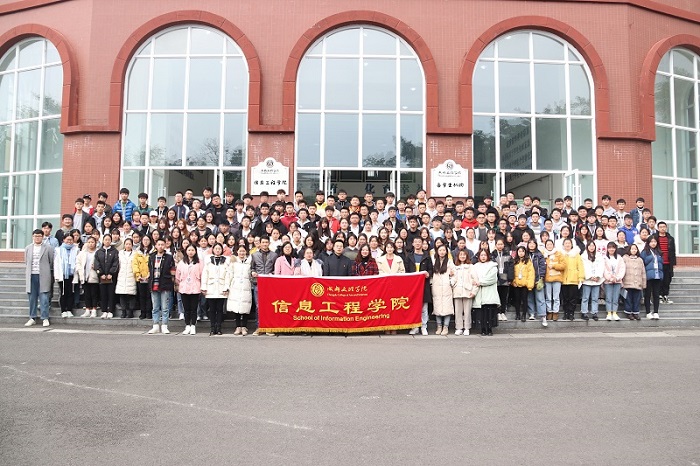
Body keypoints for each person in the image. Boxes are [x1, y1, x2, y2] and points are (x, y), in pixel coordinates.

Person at [24, 229, 55, 327]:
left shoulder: (48, 248)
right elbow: (26, 261)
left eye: (39, 236)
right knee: (32, 298)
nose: (37, 238)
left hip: (44, 275)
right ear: (32, 237)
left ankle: (45, 318)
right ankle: (32, 317)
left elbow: (51, 261)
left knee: (44, 298)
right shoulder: (28, 248)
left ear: (42, 237)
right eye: (35, 236)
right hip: (32, 275)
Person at [250, 236, 278, 335]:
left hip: (270, 284)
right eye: (263, 242)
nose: (265, 244)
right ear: (260, 243)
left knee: (270, 306)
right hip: (258, 284)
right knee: (258, 306)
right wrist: (252, 272)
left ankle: (269, 327)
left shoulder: (274, 255)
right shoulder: (254, 255)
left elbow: (276, 269)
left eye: (266, 242)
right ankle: (259, 327)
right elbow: (252, 268)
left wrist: (273, 274)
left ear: (269, 243)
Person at [147, 238, 176, 334]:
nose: (160, 246)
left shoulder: (169, 257)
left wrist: (173, 281)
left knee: (165, 307)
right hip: (154, 283)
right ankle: (155, 325)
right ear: (155, 245)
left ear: (165, 245)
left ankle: (164, 325)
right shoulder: (151, 256)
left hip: (165, 283)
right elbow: (149, 269)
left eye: (162, 244)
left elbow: (172, 270)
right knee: (155, 307)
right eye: (158, 244)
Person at [201, 243, 230, 336]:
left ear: (222, 250)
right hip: (211, 287)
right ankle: (212, 327)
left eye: (219, 249)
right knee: (212, 309)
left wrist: (226, 287)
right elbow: (205, 274)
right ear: (213, 250)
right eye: (216, 248)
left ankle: (219, 327)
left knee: (220, 309)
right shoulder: (208, 261)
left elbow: (228, 275)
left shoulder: (226, 261)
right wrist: (204, 287)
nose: (217, 250)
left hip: (221, 288)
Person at [175, 244, 204, 335]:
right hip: (184, 287)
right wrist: (179, 284)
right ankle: (187, 325)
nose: (190, 252)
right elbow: (177, 276)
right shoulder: (182, 263)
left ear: (195, 251)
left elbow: (202, 275)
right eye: (189, 250)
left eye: (192, 250)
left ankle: (193, 326)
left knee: (194, 308)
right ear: (186, 251)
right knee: (186, 308)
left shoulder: (199, 262)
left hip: (195, 287)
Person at [471, 249, 499, 336]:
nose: (483, 257)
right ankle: (483, 328)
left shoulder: (492, 266)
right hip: (479, 292)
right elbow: (473, 278)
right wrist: (476, 282)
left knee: (489, 311)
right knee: (481, 312)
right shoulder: (475, 266)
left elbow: (492, 279)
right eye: (481, 255)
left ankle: (489, 329)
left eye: (485, 255)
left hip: (489, 292)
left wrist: (480, 282)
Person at [409, 238, 433, 336]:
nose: (418, 244)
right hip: (412, 286)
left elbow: (431, 269)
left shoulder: (427, 256)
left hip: (424, 285)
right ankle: (415, 327)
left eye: (419, 242)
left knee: (424, 307)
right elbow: (406, 270)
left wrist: (428, 273)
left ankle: (424, 327)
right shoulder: (409, 256)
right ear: (413, 244)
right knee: (413, 308)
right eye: (416, 242)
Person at [228, 245, 254, 335]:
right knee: (237, 307)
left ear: (246, 252)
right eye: (240, 251)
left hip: (246, 286)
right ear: (237, 252)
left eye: (243, 251)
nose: (242, 253)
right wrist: (228, 286)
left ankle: (244, 326)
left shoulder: (249, 262)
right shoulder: (234, 262)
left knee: (246, 306)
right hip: (236, 286)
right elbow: (230, 274)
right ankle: (238, 326)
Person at [431, 243, 455, 335]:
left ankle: (446, 326)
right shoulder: (434, 261)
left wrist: (450, 282)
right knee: (437, 307)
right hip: (436, 287)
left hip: (446, 287)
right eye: (440, 250)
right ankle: (439, 326)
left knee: (447, 308)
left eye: (444, 250)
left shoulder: (449, 262)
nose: (442, 252)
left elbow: (454, 274)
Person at [94, 233, 119, 319]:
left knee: (111, 294)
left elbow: (116, 263)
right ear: (103, 241)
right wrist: (100, 273)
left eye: (109, 240)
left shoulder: (115, 251)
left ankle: (111, 311)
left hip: (111, 277)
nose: (107, 241)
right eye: (106, 240)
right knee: (103, 294)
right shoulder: (99, 252)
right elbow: (96, 263)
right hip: (102, 277)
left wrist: (111, 273)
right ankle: (104, 310)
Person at [54, 233, 79, 318]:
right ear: (63, 240)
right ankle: (63, 310)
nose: (69, 241)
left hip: (72, 275)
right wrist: (56, 275)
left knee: (71, 292)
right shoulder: (58, 250)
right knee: (63, 292)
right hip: (62, 274)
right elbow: (56, 263)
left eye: (71, 240)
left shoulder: (76, 250)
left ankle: (69, 309)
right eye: (67, 239)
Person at [452, 249, 476, 335]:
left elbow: (475, 280)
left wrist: (474, 291)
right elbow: (453, 279)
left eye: (464, 255)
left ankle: (467, 327)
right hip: (457, 291)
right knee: (458, 311)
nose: (462, 256)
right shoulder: (455, 267)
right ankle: (459, 327)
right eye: (460, 255)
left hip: (468, 290)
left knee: (467, 311)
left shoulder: (471, 267)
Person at [560, 238, 584, 321]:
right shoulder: (561, 254)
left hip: (573, 279)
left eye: (569, 243)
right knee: (565, 298)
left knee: (573, 298)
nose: (567, 245)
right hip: (563, 279)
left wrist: (581, 277)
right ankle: (565, 312)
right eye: (566, 243)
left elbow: (580, 266)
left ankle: (571, 313)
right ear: (563, 245)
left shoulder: (576, 254)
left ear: (571, 245)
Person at [75, 236, 99, 318]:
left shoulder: (98, 252)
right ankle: (88, 309)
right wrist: (79, 270)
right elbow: (78, 262)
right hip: (84, 275)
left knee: (94, 294)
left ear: (95, 243)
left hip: (94, 275)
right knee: (87, 294)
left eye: (92, 242)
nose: (90, 244)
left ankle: (94, 309)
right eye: (89, 242)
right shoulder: (83, 253)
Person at [580, 240, 605, 320]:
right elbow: (583, 267)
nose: (591, 247)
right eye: (590, 246)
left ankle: (594, 312)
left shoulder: (599, 256)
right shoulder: (583, 256)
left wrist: (598, 276)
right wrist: (589, 276)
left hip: (596, 281)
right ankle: (584, 312)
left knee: (595, 298)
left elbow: (601, 267)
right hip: (587, 280)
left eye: (593, 246)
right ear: (587, 247)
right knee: (585, 297)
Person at [640, 235, 663, 320]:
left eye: (655, 242)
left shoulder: (659, 252)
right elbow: (642, 263)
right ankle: (648, 312)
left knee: (656, 294)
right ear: (648, 243)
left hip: (657, 275)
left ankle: (656, 312)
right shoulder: (645, 252)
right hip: (648, 275)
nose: (653, 243)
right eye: (651, 242)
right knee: (648, 294)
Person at [543, 239, 565, 322]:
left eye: (551, 244)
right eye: (547, 244)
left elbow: (563, 265)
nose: (549, 246)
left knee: (556, 297)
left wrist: (554, 266)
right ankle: (549, 311)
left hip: (557, 278)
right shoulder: (543, 254)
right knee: (548, 297)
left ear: (553, 245)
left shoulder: (559, 254)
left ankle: (555, 312)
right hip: (547, 278)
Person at [603, 241, 626, 321]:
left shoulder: (619, 258)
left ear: (615, 248)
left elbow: (622, 269)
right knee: (608, 297)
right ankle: (609, 313)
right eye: (609, 248)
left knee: (616, 298)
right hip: (608, 281)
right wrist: (609, 278)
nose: (611, 249)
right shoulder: (604, 258)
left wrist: (617, 278)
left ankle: (615, 313)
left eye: (613, 247)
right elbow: (604, 269)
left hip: (617, 281)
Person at [511, 246, 535, 323]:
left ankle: (524, 315)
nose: (521, 253)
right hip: (516, 284)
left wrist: (529, 284)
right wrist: (513, 282)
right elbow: (511, 272)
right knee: (517, 300)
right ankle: (517, 314)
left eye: (522, 251)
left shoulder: (528, 261)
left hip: (525, 284)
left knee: (524, 300)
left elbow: (531, 273)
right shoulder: (514, 261)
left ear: (525, 252)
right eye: (519, 251)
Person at [622, 244, 646, 320]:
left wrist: (644, 283)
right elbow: (622, 270)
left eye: (635, 249)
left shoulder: (640, 260)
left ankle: (636, 312)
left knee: (637, 299)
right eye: (632, 249)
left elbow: (643, 272)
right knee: (628, 299)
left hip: (637, 283)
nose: (634, 250)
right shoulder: (625, 258)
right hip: (627, 282)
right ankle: (628, 312)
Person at [115, 238, 137, 318]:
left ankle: (130, 312)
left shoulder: (135, 254)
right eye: (126, 244)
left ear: (132, 245)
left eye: (129, 244)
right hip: (122, 275)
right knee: (122, 295)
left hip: (131, 276)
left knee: (131, 294)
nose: (128, 246)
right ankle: (123, 311)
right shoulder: (120, 253)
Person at [491, 238, 513, 322]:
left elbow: (511, 267)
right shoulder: (492, 255)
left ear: (503, 245)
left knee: (504, 297)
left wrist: (510, 278)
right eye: (498, 244)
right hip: (496, 279)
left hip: (505, 279)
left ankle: (503, 312)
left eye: (501, 244)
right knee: (496, 297)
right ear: (495, 245)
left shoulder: (508, 255)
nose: (500, 246)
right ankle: (497, 312)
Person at [526, 239, 547, 325]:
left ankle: (543, 315)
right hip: (528, 279)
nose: (531, 245)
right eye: (530, 243)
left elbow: (542, 266)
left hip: (538, 279)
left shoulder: (539, 255)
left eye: (533, 243)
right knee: (529, 297)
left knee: (540, 298)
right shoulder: (526, 254)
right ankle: (531, 313)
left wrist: (541, 277)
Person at [132, 236, 152, 320]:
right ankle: (143, 312)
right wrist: (138, 275)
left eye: (147, 240)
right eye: (144, 240)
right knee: (142, 296)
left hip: (149, 278)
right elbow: (134, 264)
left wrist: (149, 274)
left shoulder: (153, 251)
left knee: (149, 296)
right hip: (140, 278)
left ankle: (149, 312)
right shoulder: (137, 252)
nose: (146, 241)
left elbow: (153, 264)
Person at [656, 221, 676, 304]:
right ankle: (659, 296)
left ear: (666, 228)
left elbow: (673, 251)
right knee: (659, 279)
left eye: (664, 227)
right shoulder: (655, 238)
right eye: (660, 227)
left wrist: (673, 263)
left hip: (668, 262)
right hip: (658, 263)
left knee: (667, 280)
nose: (662, 228)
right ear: (658, 228)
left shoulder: (670, 238)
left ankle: (665, 295)